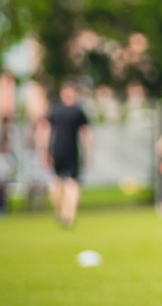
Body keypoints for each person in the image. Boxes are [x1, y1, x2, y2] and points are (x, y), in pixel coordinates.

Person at [39, 82, 93, 229]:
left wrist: (45, 151)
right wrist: (87, 154)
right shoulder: (77, 111)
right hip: (68, 151)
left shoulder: (55, 109)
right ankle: (67, 215)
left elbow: (45, 130)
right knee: (69, 184)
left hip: (58, 151)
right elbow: (86, 133)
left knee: (61, 182)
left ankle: (64, 213)